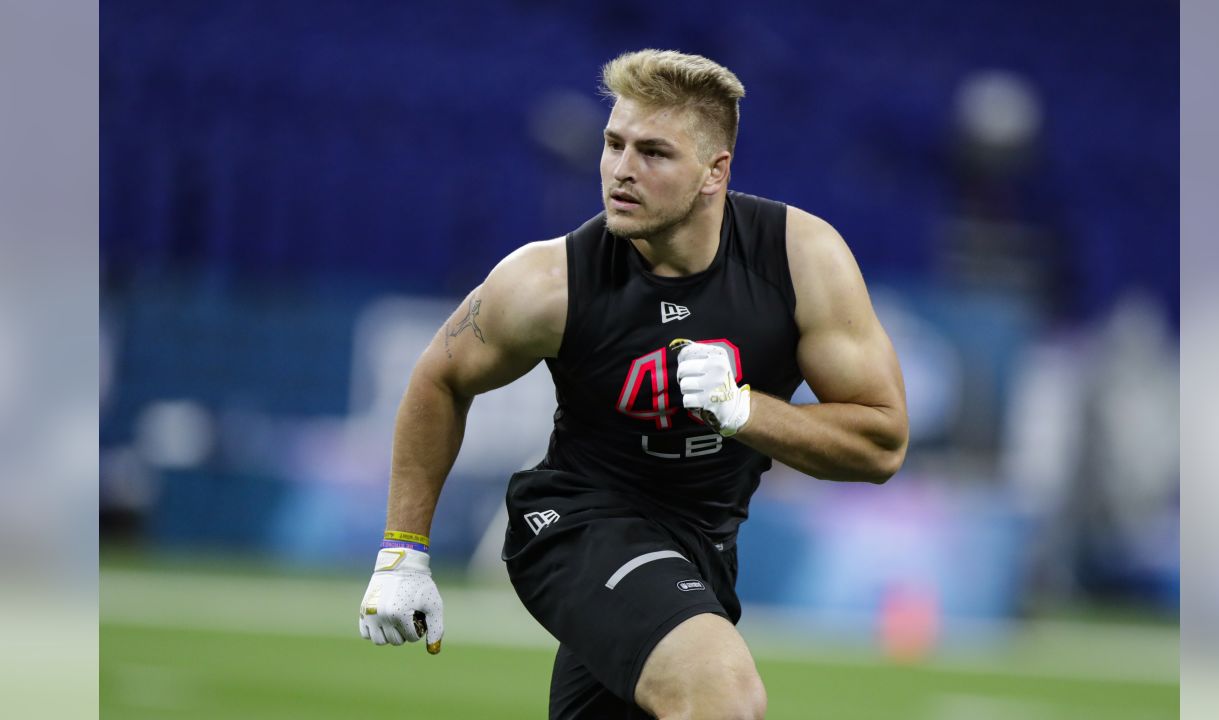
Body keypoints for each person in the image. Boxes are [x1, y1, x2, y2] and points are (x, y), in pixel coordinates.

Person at [357, 49, 909, 719]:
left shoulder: (801, 260)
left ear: (715, 172)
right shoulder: (549, 283)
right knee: (722, 697)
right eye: (613, 143)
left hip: (704, 546)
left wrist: (740, 410)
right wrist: (403, 553)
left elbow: (881, 443)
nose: (621, 169)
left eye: (653, 153)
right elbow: (438, 378)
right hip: (578, 523)